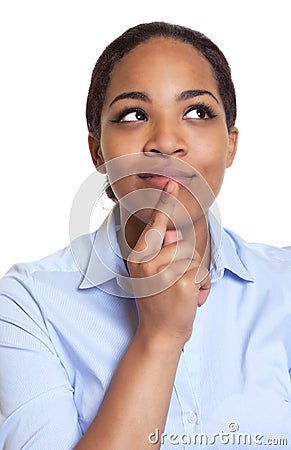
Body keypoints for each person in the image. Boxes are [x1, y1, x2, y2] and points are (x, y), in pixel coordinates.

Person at [0, 21, 290, 450]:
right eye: (134, 115)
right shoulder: (28, 305)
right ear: (98, 150)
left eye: (197, 112)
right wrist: (159, 337)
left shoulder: (283, 285)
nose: (167, 141)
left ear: (230, 145)